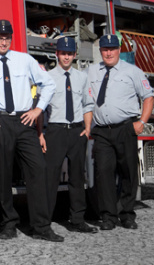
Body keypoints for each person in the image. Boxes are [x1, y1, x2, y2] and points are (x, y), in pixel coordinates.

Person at [0, 19, 63, 242]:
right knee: (3, 175)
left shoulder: (25, 60)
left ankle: (41, 226)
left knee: (38, 169)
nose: (3, 42)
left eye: (7, 38)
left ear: (11, 38)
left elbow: (48, 84)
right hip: (0, 122)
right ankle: (9, 223)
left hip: (24, 121)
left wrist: (37, 110)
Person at [86, 34, 154, 231]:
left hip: (125, 128)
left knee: (128, 173)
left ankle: (126, 214)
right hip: (101, 132)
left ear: (118, 50)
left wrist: (141, 122)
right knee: (103, 174)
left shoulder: (133, 71)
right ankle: (108, 216)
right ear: (100, 51)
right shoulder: (91, 71)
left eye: (112, 49)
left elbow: (148, 97)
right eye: (105, 49)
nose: (108, 53)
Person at [42, 37, 97, 233]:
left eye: (70, 53)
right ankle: (44, 222)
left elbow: (87, 104)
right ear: (57, 54)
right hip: (55, 131)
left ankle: (77, 219)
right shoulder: (47, 77)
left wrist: (87, 128)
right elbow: (41, 107)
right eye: (63, 53)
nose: (66, 57)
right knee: (50, 178)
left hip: (76, 130)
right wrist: (41, 133)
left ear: (75, 55)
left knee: (77, 177)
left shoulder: (82, 77)